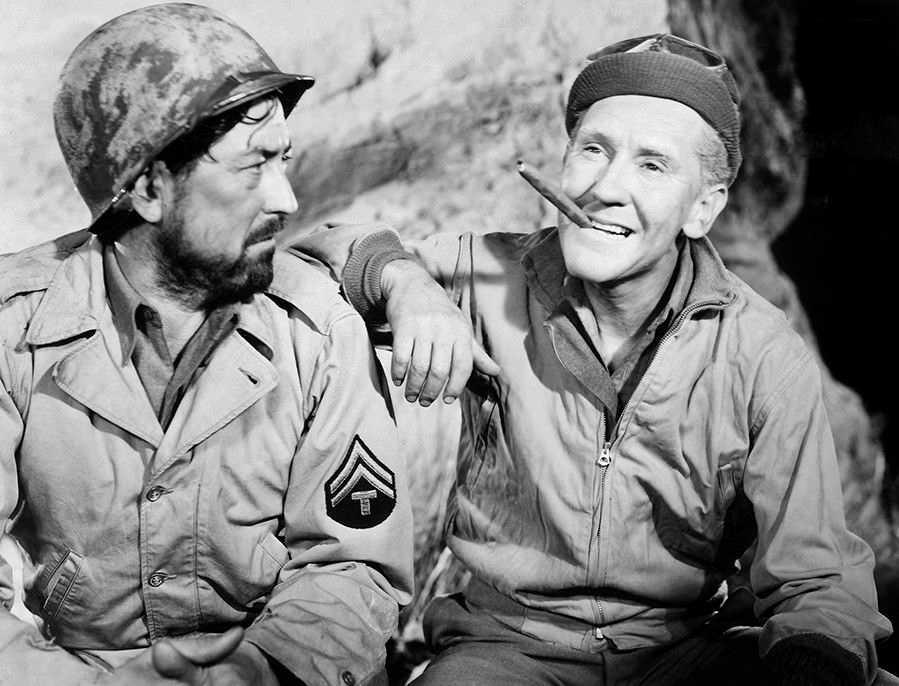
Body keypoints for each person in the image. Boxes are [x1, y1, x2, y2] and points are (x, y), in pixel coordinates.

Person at [292, 34, 893, 685]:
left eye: (651, 166)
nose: (605, 187)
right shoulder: (485, 274)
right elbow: (310, 255)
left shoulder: (760, 350)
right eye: (592, 150)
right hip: (507, 649)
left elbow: (818, 579)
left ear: (702, 208)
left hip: (685, 651)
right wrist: (402, 282)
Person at [0, 4, 412, 685]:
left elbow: (349, 568)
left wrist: (251, 678)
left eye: (285, 161)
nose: (286, 199)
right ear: (149, 189)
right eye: (253, 168)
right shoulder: (14, 327)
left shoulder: (316, 328)